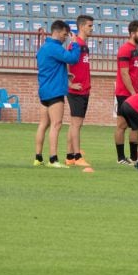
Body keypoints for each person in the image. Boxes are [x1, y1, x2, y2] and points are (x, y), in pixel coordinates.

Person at [34, 19, 81, 168]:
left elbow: (51, 67)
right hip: (55, 92)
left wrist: (64, 75)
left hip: (44, 91)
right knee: (56, 124)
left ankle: (38, 157)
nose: (65, 38)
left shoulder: (43, 48)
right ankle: (53, 159)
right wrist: (75, 44)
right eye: (65, 35)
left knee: (43, 124)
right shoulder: (55, 48)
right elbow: (73, 59)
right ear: (58, 32)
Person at [114, 19, 138, 165]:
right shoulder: (125, 49)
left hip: (133, 93)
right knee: (122, 125)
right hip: (124, 94)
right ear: (132, 33)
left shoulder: (134, 50)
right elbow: (124, 74)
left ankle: (134, 158)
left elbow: (133, 74)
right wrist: (133, 92)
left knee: (136, 126)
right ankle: (121, 158)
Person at [64, 14, 93, 167]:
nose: (91, 28)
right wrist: (70, 84)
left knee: (75, 124)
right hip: (76, 90)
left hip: (84, 89)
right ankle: (77, 156)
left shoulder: (83, 45)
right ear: (81, 26)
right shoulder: (75, 45)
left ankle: (69, 157)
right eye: (89, 25)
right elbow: (67, 64)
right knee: (76, 124)